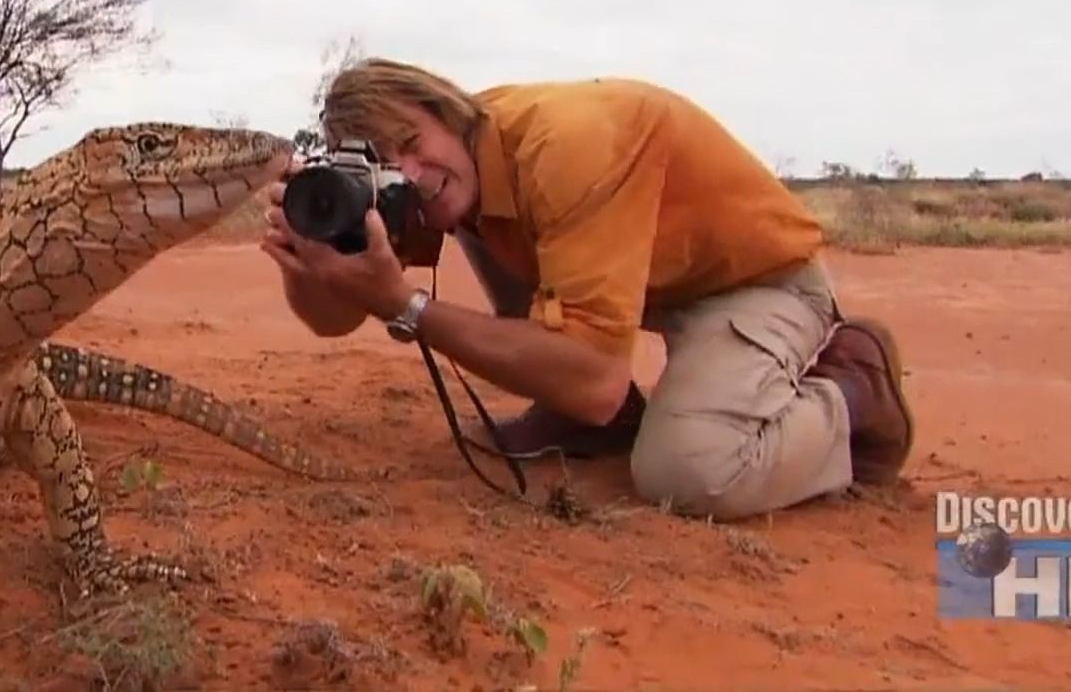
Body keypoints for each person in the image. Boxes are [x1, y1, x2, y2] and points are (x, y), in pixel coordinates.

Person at [260, 57, 914, 519]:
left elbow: (598, 382)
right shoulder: (441, 182)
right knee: (477, 233)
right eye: (383, 163)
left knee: (691, 471)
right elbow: (334, 318)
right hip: (649, 279)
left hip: (755, 284)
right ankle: (581, 414)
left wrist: (404, 305)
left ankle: (856, 388)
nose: (411, 172)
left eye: (411, 141)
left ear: (445, 108)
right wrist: (310, 249)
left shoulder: (564, 142)